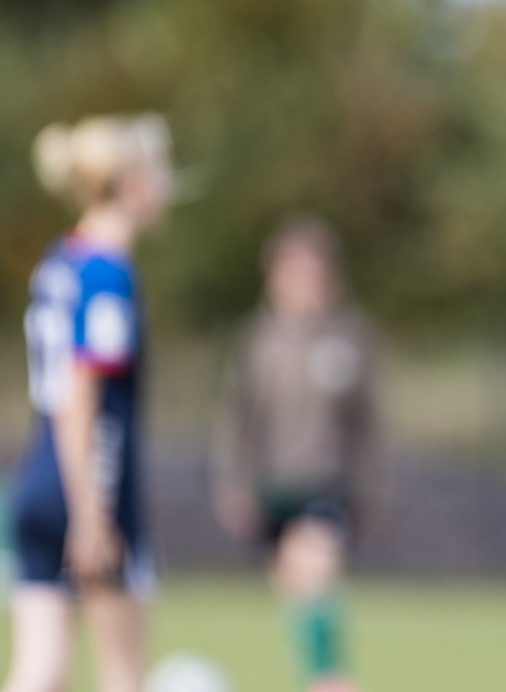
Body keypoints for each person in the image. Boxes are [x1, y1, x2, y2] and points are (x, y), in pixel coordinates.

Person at [4, 113, 174, 692]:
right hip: (91, 483)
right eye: (160, 174)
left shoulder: (60, 260)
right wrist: (92, 513)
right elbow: (82, 393)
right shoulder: (107, 273)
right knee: (122, 674)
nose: (168, 188)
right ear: (131, 186)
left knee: (40, 669)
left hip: (35, 482)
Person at [212, 216, 384, 692]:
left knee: (315, 571)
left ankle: (332, 679)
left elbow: (367, 424)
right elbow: (237, 418)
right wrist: (233, 483)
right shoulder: (257, 341)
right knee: (295, 596)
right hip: (271, 486)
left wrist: (369, 488)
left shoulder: (350, 337)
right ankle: (317, 676)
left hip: (327, 485)